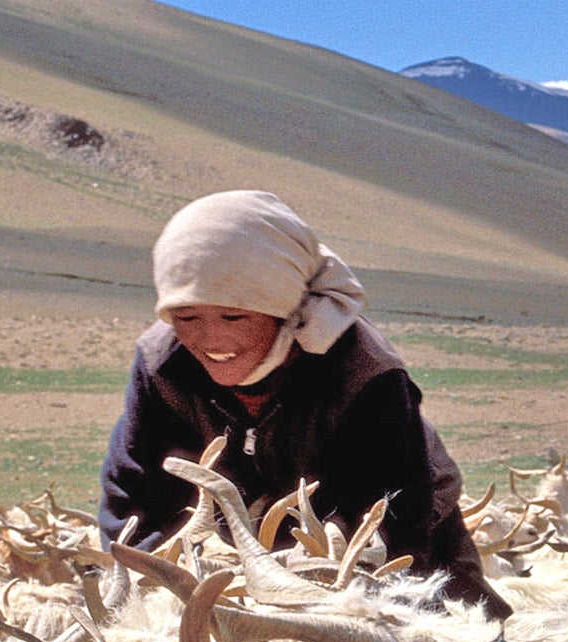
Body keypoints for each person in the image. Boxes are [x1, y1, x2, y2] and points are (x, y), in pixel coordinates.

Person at [99, 189, 507, 618]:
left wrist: (348, 599)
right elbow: (132, 495)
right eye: (186, 317)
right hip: (228, 548)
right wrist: (157, 579)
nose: (211, 339)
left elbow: (394, 517)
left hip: (396, 536)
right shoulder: (162, 365)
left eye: (235, 317)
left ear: (281, 309)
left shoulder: (363, 371)